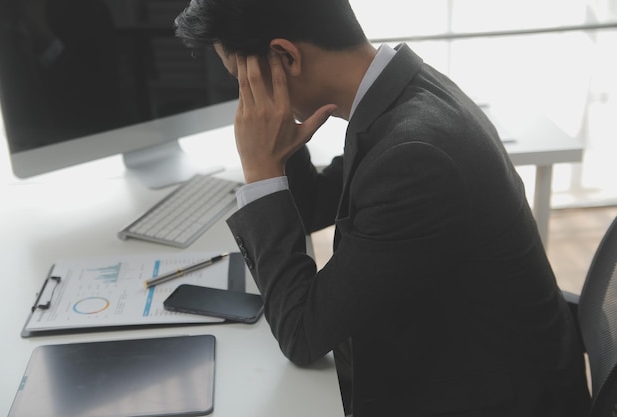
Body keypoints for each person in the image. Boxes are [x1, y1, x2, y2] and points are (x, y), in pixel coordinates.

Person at [174, 1, 591, 416]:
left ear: (286, 57)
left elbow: (301, 334)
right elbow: (317, 204)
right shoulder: (405, 90)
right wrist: (276, 151)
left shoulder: (414, 155)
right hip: (469, 356)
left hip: (494, 400)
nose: (245, 100)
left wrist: (261, 171)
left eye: (243, 82)